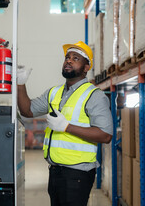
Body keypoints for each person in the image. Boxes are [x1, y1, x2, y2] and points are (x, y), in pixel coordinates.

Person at [17, 41, 113, 206]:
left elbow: (105, 135)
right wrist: (20, 84)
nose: (69, 60)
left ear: (86, 67)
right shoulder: (54, 92)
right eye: (67, 57)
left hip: (78, 175)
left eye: (76, 58)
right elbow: (28, 111)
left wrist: (67, 127)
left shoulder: (94, 95)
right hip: (55, 171)